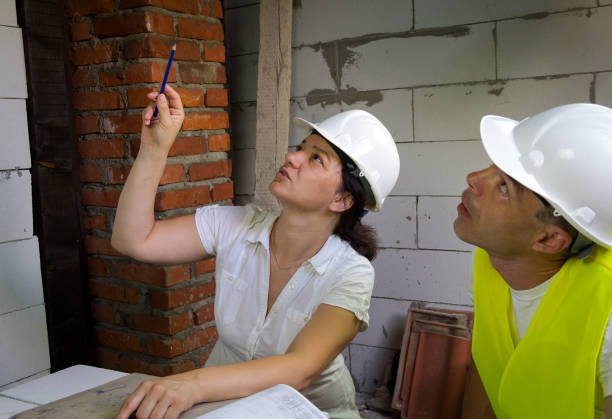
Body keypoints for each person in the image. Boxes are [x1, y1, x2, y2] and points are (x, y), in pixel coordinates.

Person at [110, 85, 400, 419]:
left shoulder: (351, 272)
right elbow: (133, 240)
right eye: (301, 148)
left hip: (310, 412)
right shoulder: (235, 225)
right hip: (227, 407)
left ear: (342, 200)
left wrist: (192, 384)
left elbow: (299, 368)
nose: (292, 157)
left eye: (316, 158)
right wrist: (154, 148)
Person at [455, 103, 612, 418]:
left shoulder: (606, 311)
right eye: (491, 167)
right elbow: (491, 366)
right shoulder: (491, 260)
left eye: (504, 188)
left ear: (549, 240)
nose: (473, 178)